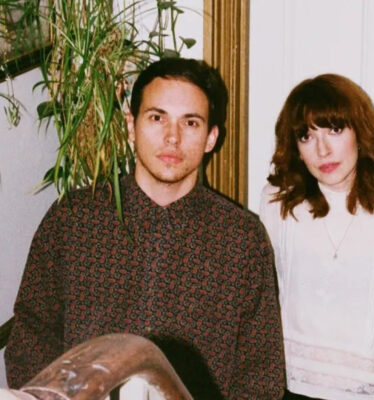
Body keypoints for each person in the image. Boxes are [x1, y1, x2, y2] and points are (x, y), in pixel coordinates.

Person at [5, 58, 285, 400]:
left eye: (190, 123)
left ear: (211, 138)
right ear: (130, 126)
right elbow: (31, 336)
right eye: (157, 118)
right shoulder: (74, 220)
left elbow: (261, 376)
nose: (172, 137)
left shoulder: (241, 240)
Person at [260, 74, 374, 400]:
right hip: (292, 389)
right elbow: (263, 301)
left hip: (372, 394)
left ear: (360, 134)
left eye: (335, 130)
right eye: (307, 136)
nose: (322, 150)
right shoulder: (277, 204)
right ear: (295, 148)